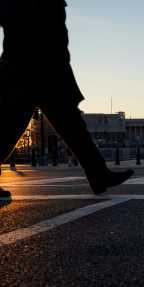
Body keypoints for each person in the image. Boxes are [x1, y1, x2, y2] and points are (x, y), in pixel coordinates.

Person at [0, 0, 133, 198]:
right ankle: (99, 174)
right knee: (10, 129)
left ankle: (99, 174)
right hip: (26, 71)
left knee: (72, 127)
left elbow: (58, 37)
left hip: (49, 71)